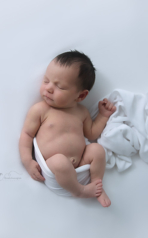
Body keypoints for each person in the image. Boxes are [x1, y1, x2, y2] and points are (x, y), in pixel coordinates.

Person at [19, 50, 116, 207]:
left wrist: (103, 115)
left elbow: (91, 133)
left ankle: (97, 185)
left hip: (80, 168)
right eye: (46, 81)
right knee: (60, 161)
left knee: (97, 149)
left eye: (60, 87)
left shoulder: (81, 112)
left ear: (81, 96)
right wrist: (27, 161)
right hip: (53, 171)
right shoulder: (41, 110)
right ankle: (80, 191)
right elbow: (27, 134)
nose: (49, 88)